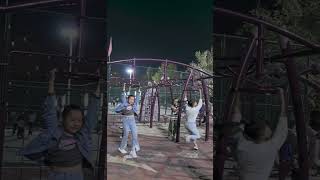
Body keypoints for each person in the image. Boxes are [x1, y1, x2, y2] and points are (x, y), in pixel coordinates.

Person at [21, 69, 101, 180]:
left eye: (79, 120)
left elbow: (93, 112)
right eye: (72, 120)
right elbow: (50, 110)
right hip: (56, 176)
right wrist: (51, 81)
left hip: (77, 176)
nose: (76, 123)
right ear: (63, 119)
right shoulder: (54, 132)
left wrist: (99, 84)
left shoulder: (82, 134)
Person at [230, 88, 288, 180]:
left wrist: (237, 92)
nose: (270, 128)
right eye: (266, 127)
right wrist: (282, 96)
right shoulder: (271, 146)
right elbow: (283, 118)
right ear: (262, 134)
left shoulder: (242, 144)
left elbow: (236, 114)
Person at [115, 83, 141, 159]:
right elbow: (123, 96)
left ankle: (133, 150)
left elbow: (138, 98)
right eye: (130, 99)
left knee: (135, 134)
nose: (132, 100)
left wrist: (139, 90)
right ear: (128, 99)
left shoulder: (135, 104)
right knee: (126, 134)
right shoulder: (124, 103)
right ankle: (121, 148)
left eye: (133, 99)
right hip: (125, 120)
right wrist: (123, 88)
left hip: (132, 120)